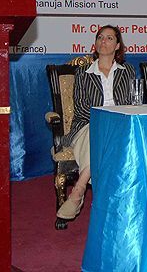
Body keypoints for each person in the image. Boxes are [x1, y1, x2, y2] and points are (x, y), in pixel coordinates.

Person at [57, 25, 135, 220]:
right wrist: (104, 120)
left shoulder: (127, 71)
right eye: (100, 37)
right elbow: (81, 107)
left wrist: (114, 121)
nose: (103, 41)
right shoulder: (83, 72)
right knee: (97, 133)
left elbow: (132, 103)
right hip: (87, 124)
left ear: (118, 45)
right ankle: (81, 190)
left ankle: (79, 189)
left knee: (109, 137)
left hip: (120, 126)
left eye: (109, 38)